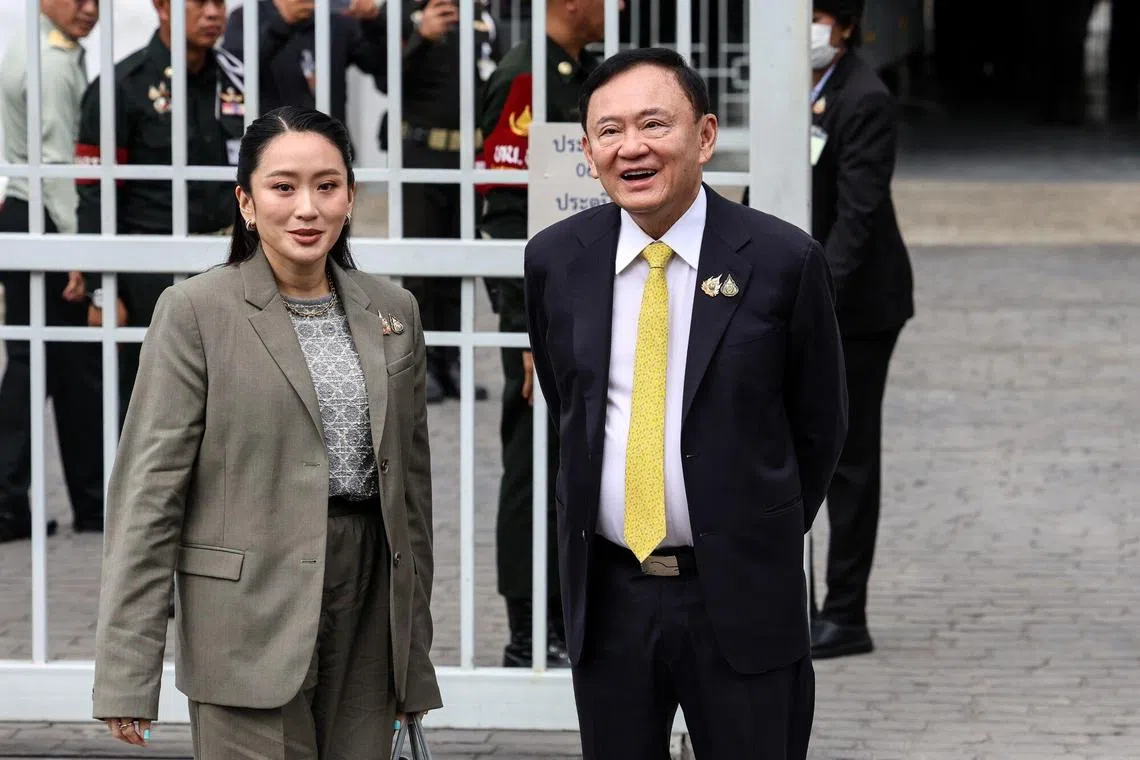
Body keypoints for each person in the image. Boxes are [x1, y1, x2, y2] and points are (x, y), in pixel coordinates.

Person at [524, 48, 848, 759]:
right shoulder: (556, 259)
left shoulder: (783, 261)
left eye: (653, 124)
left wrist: (754, 527)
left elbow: (820, 424)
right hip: (611, 597)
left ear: (704, 136)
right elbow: (566, 401)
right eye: (609, 131)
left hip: (740, 593)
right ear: (588, 152)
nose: (631, 147)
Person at [92, 106, 441, 759]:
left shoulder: (394, 311)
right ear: (247, 203)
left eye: (327, 186)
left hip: (368, 607)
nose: (307, 208)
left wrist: (412, 658)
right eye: (283, 187)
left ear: (349, 197)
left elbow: (412, 498)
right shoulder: (195, 311)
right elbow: (148, 499)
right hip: (245, 618)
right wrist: (126, 672)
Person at [477, 0, 615, 668]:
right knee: (536, 462)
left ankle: (569, 608)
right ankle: (529, 624)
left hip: (592, 299)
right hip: (542, 312)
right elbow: (503, 211)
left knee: (580, 457)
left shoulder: (584, 73)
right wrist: (525, 326)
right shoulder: (526, 76)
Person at [802, 0, 914, 659]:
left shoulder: (864, 98)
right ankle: (796, 600)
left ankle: (845, 613)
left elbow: (857, 216)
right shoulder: (793, 90)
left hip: (858, 307)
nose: (805, 30)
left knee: (848, 457)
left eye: (816, 16)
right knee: (798, 448)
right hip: (804, 296)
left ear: (843, 26)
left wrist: (817, 298)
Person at [77, 0, 244, 423]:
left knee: (227, 404)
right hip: (147, 273)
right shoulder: (122, 86)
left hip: (225, 263)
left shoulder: (237, 79)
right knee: (149, 408)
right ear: (162, 7)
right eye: (199, 2)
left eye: (219, 2)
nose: (213, 13)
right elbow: (95, 195)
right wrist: (102, 289)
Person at [0, 0, 102, 542]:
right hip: (49, 214)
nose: (90, 10)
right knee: (63, 363)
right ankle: (86, 500)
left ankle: (15, 502)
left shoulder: (24, 46)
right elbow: (58, 163)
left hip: (24, 210)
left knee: (38, 358)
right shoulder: (54, 61)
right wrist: (76, 248)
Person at [375, 0, 500, 403]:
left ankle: (453, 362)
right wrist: (421, 38)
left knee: (460, 265)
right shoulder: (405, 12)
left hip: (467, 158)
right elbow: (386, 81)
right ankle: (419, 366)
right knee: (421, 270)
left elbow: (492, 82)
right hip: (420, 155)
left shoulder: (482, 18)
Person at [222, 0, 387, 138]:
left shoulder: (335, 16)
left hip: (330, 144)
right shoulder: (247, 16)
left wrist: (373, 21)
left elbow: (382, 73)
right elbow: (233, 72)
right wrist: (281, 23)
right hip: (273, 146)